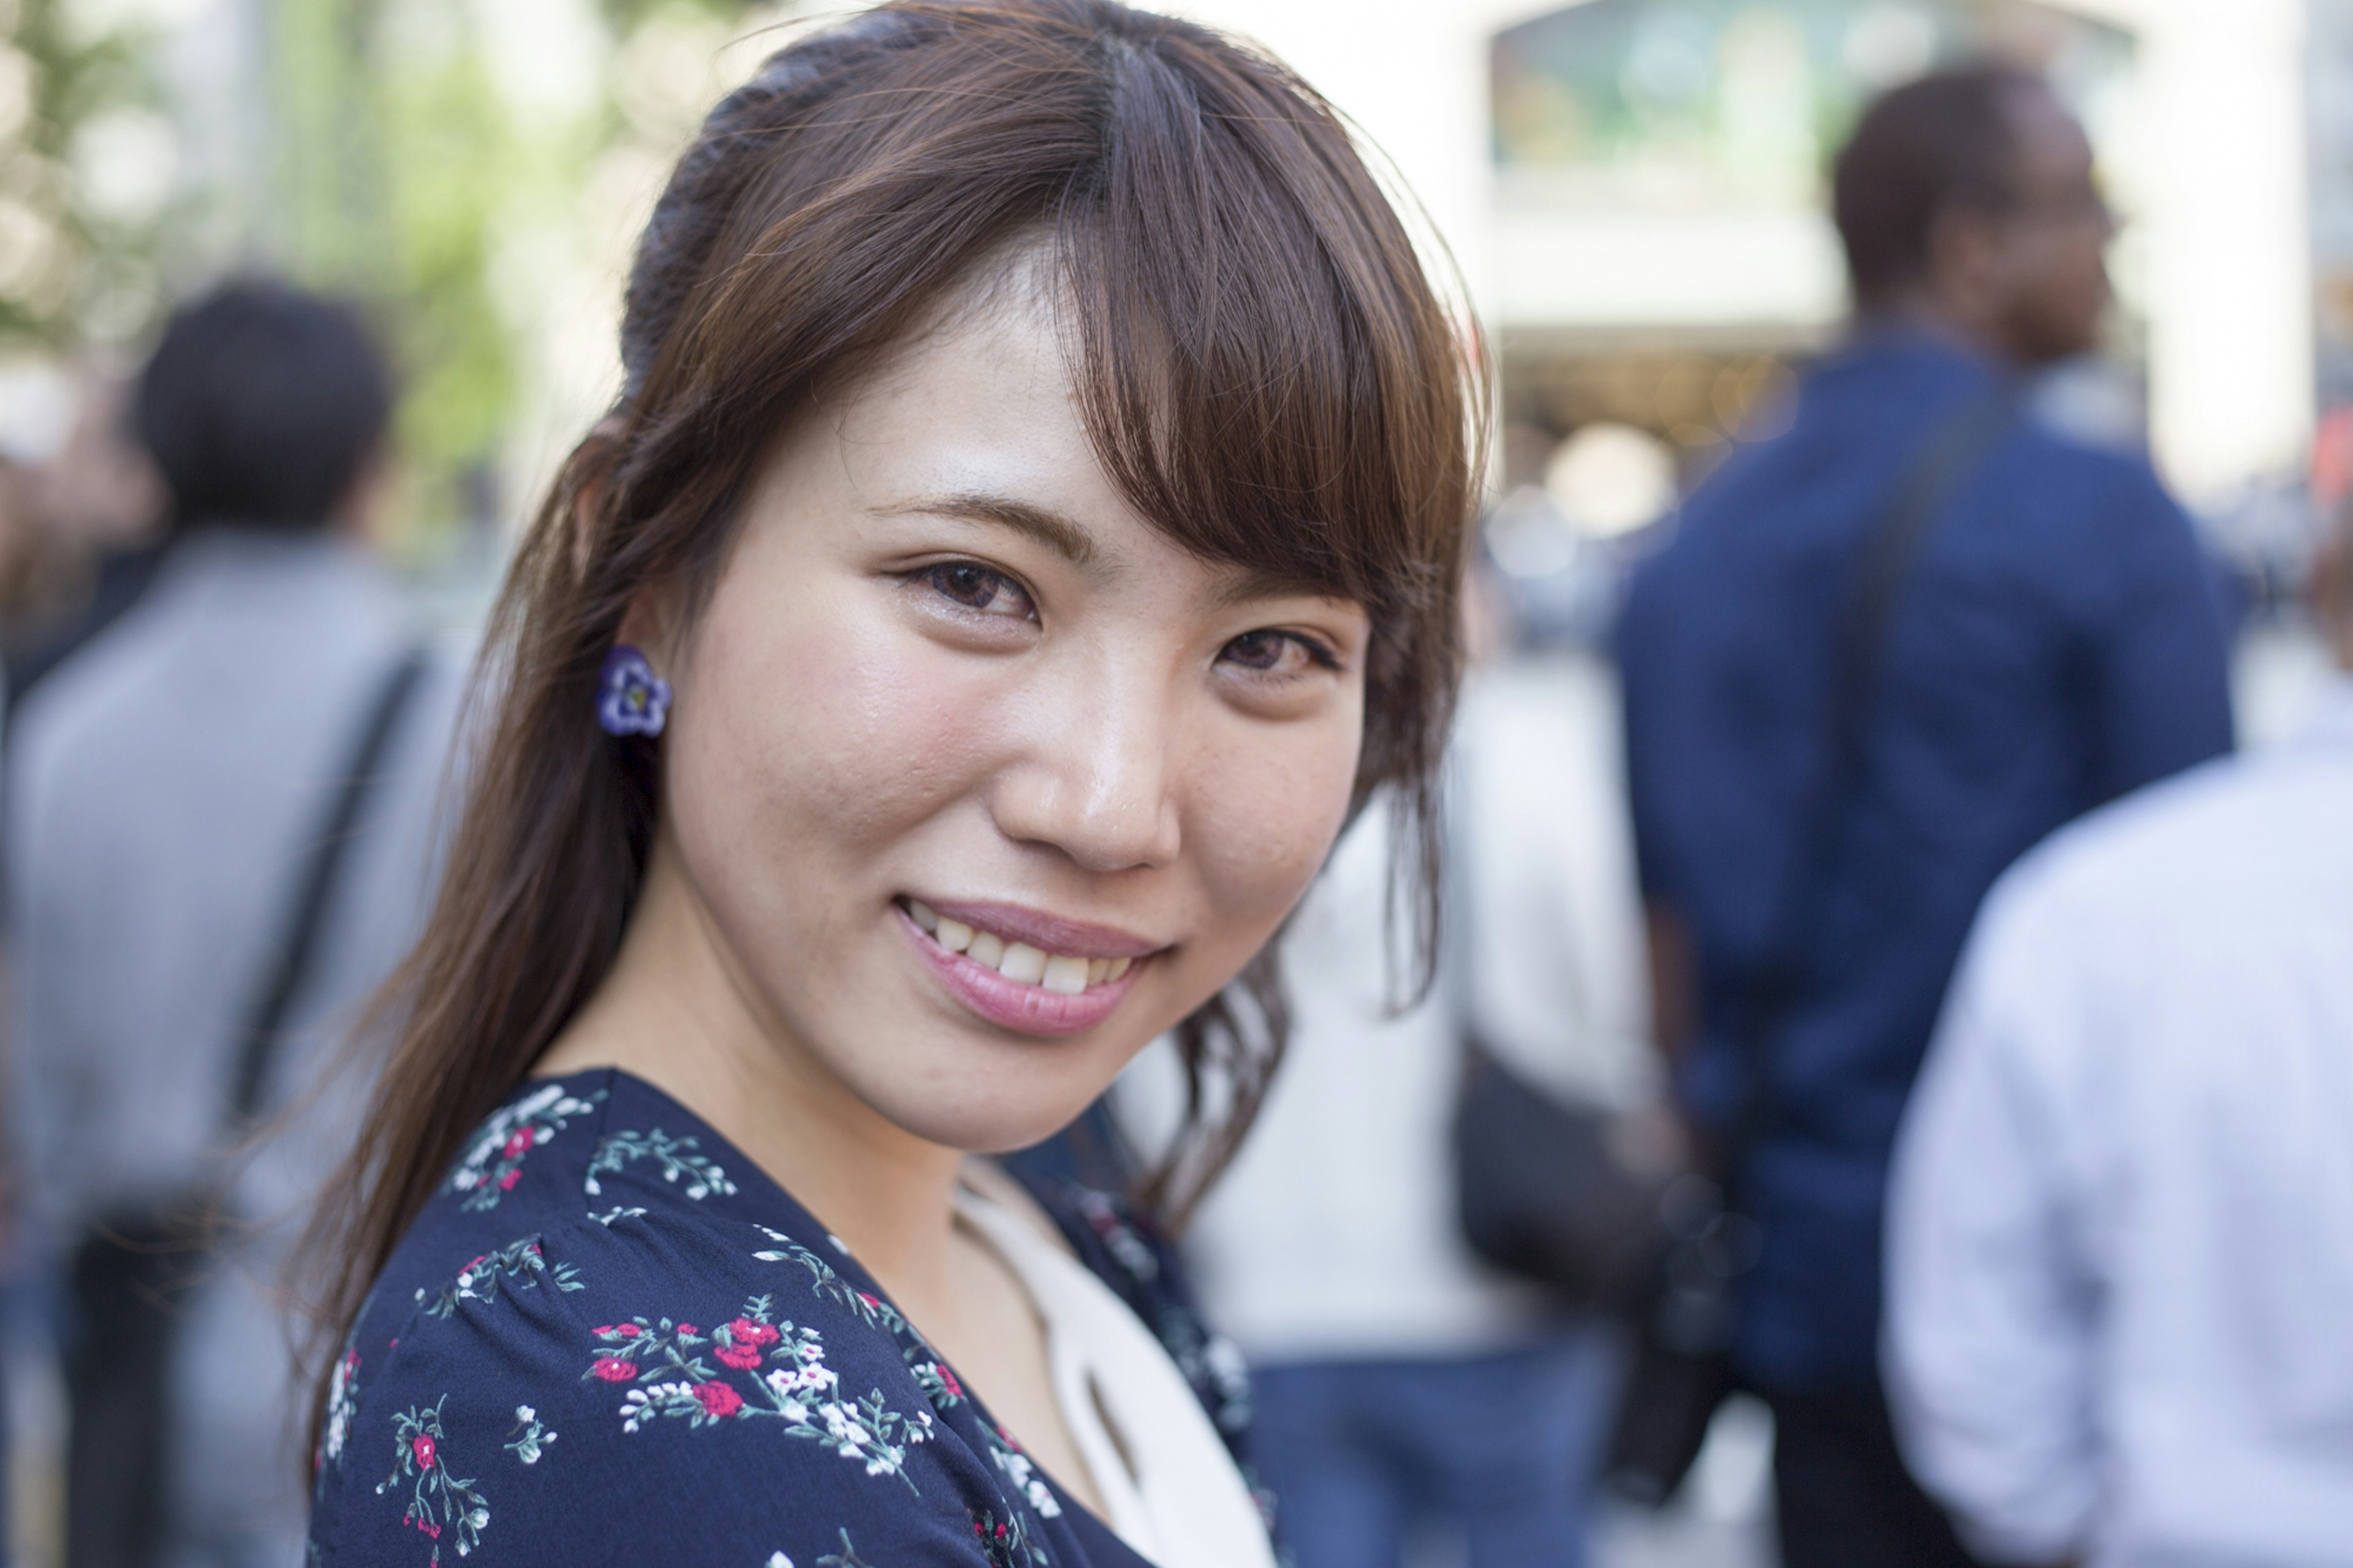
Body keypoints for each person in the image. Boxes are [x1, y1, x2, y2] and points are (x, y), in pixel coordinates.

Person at [298, 4, 1478, 1565]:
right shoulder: (620, 1424)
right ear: (641, 575)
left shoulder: (1025, 1217)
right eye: (975, 585)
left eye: (1269, 644)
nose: (1115, 804)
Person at [1615, 64, 2234, 1565]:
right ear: (1972, 243)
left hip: (1804, 1272)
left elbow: (1669, 941)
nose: (2113, 246)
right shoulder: (2102, 518)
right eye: (2089, 206)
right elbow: (2197, 944)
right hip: (2079, 1306)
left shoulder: (1692, 538)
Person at [6, 282, 462, 1567]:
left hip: (139, 1336)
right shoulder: (461, 717)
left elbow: (45, 1101)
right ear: (369, 466)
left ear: (154, 462)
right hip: (385, 1336)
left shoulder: (61, 737)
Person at [1124, 593, 1662, 1568]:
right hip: (1496, 1286)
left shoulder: (1192, 771)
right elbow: (1610, 1009)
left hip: (1267, 1291)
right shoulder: (1516, 763)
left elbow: (1147, 1054)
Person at [1884, 498, 2353, 1568]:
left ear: (2322, 582)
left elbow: (1970, 1340)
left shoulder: (2100, 908)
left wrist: (2065, 1525)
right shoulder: (2095, 909)